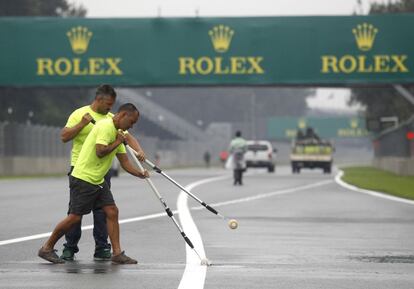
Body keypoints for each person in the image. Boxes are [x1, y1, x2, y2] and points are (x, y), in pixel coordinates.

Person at [38, 103, 149, 264]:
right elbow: (100, 151)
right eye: (131, 122)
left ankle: (117, 254)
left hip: (98, 179)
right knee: (75, 217)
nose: (131, 127)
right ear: (123, 115)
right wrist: (118, 141)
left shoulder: (119, 133)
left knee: (112, 211)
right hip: (84, 178)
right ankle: (46, 248)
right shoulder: (106, 127)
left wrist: (140, 174)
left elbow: (124, 162)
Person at [60, 84, 146, 261]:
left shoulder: (113, 119)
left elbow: (127, 136)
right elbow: (64, 136)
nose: (110, 108)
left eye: (112, 105)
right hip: (80, 168)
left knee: (105, 211)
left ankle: (104, 248)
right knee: (76, 213)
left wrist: (139, 152)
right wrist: (82, 124)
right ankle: (69, 247)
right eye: (108, 104)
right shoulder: (80, 113)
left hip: (101, 171)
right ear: (98, 99)